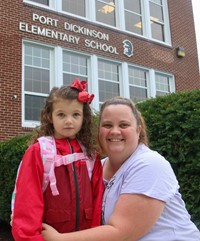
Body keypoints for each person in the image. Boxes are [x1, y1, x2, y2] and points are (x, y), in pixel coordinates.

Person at [42, 96, 200, 241]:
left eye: (124, 124)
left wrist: (59, 239)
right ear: (99, 131)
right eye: (107, 125)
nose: (115, 131)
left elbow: (122, 233)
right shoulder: (97, 167)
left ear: (138, 130)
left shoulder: (149, 164)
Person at [11, 78, 104, 241]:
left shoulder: (90, 154)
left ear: (84, 117)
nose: (69, 121)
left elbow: (97, 202)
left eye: (76, 114)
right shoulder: (39, 152)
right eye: (61, 114)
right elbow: (27, 204)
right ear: (50, 116)